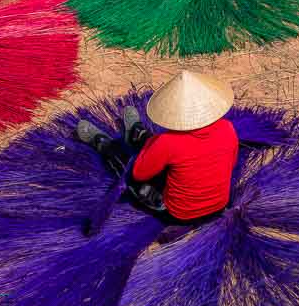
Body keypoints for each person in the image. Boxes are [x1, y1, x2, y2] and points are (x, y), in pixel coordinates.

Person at [77, 70, 239, 223]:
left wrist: (153, 145)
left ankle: (105, 145)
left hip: (178, 213)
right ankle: (137, 134)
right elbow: (230, 164)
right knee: (170, 157)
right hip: (218, 206)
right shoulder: (228, 128)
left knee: (128, 167)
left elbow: (139, 174)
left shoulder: (167, 141)